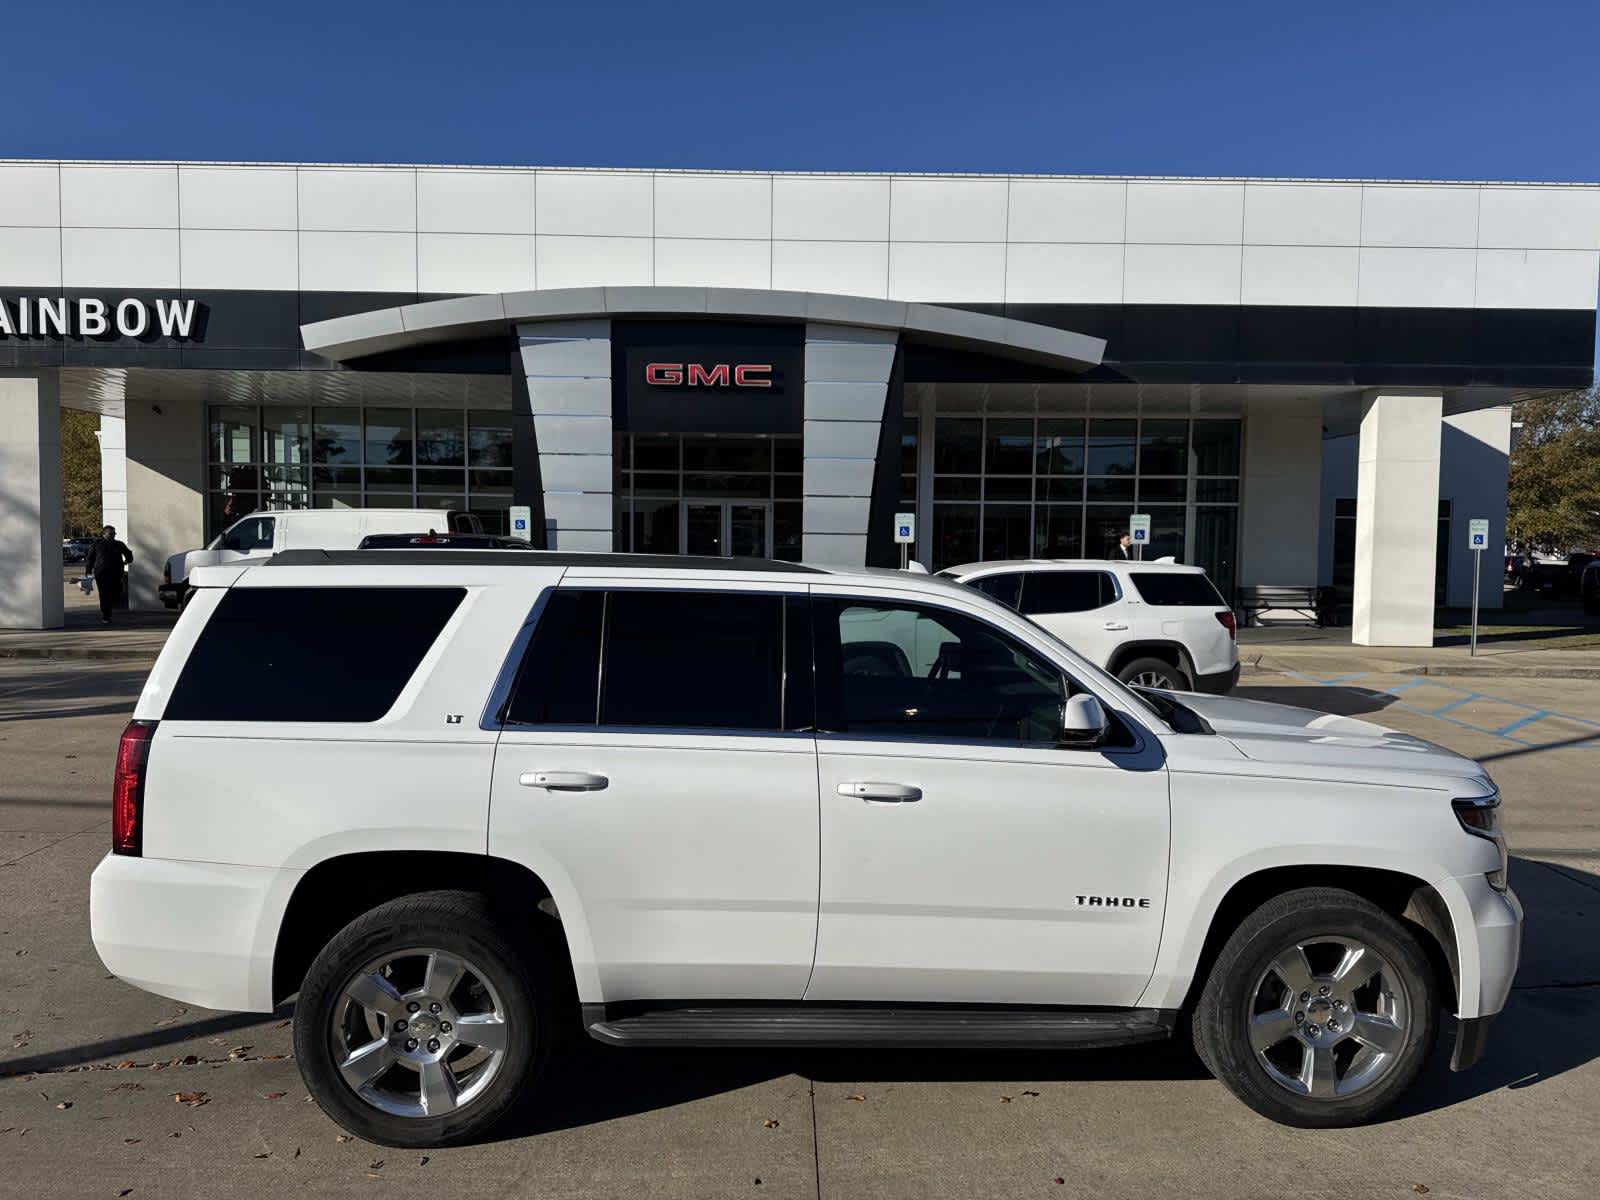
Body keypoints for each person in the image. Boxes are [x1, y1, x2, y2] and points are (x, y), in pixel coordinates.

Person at [84, 525, 133, 624]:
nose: (113, 535)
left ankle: (109, 609)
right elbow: (90, 558)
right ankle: (106, 615)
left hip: (116, 573)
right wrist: (88, 571)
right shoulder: (97, 544)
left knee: (116, 592)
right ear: (104, 534)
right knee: (104, 594)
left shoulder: (119, 544)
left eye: (114, 533)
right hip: (102, 573)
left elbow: (128, 553)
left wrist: (127, 560)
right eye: (111, 533)